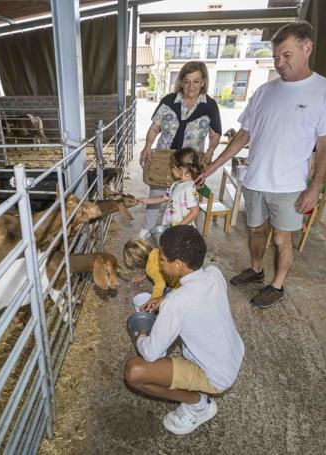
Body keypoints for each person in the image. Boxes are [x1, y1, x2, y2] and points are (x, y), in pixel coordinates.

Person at [198, 21, 326, 309]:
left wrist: (314, 188)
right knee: (255, 231)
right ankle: (256, 269)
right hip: (255, 179)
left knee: (281, 239)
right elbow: (243, 135)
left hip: (289, 185)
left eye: (286, 55)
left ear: (307, 48)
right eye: (276, 57)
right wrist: (214, 166)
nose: (279, 63)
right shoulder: (265, 92)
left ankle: (277, 285)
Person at [124, 225, 244, 435]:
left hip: (215, 376)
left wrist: (141, 332)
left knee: (134, 372)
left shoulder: (177, 303)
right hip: (232, 355)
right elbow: (195, 299)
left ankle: (199, 405)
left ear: (178, 265)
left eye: (163, 259)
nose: (160, 263)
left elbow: (151, 354)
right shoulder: (214, 274)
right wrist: (165, 298)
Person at [139, 61, 222, 235]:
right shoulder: (169, 101)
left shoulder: (210, 105)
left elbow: (215, 135)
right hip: (164, 159)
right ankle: (147, 232)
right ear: (181, 81)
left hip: (190, 163)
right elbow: (155, 127)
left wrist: (210, 151)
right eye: (187, 81)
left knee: (184, 201)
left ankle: (179, 234)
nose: (191, 86)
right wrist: (147, 145)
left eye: (196, 81)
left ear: (203, 81)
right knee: (157, 192)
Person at [137, 148, 201, 227]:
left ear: (182, 169)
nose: (171, 170)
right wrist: (146, 201)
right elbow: (163, 198)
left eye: (172, 167)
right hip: (172, 226)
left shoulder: (189, 188)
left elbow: (195, 211)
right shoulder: (175, 184)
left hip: (183, 230)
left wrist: (179, 227)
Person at [123, 237, 180, 311]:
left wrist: (151, 302)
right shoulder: (155, 251)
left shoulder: (150, 268)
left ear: (138, 262)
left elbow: (160, 284)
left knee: (167, 303)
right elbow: (155, 268)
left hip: (178, 285)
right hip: (179, 271)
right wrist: (142, 277)